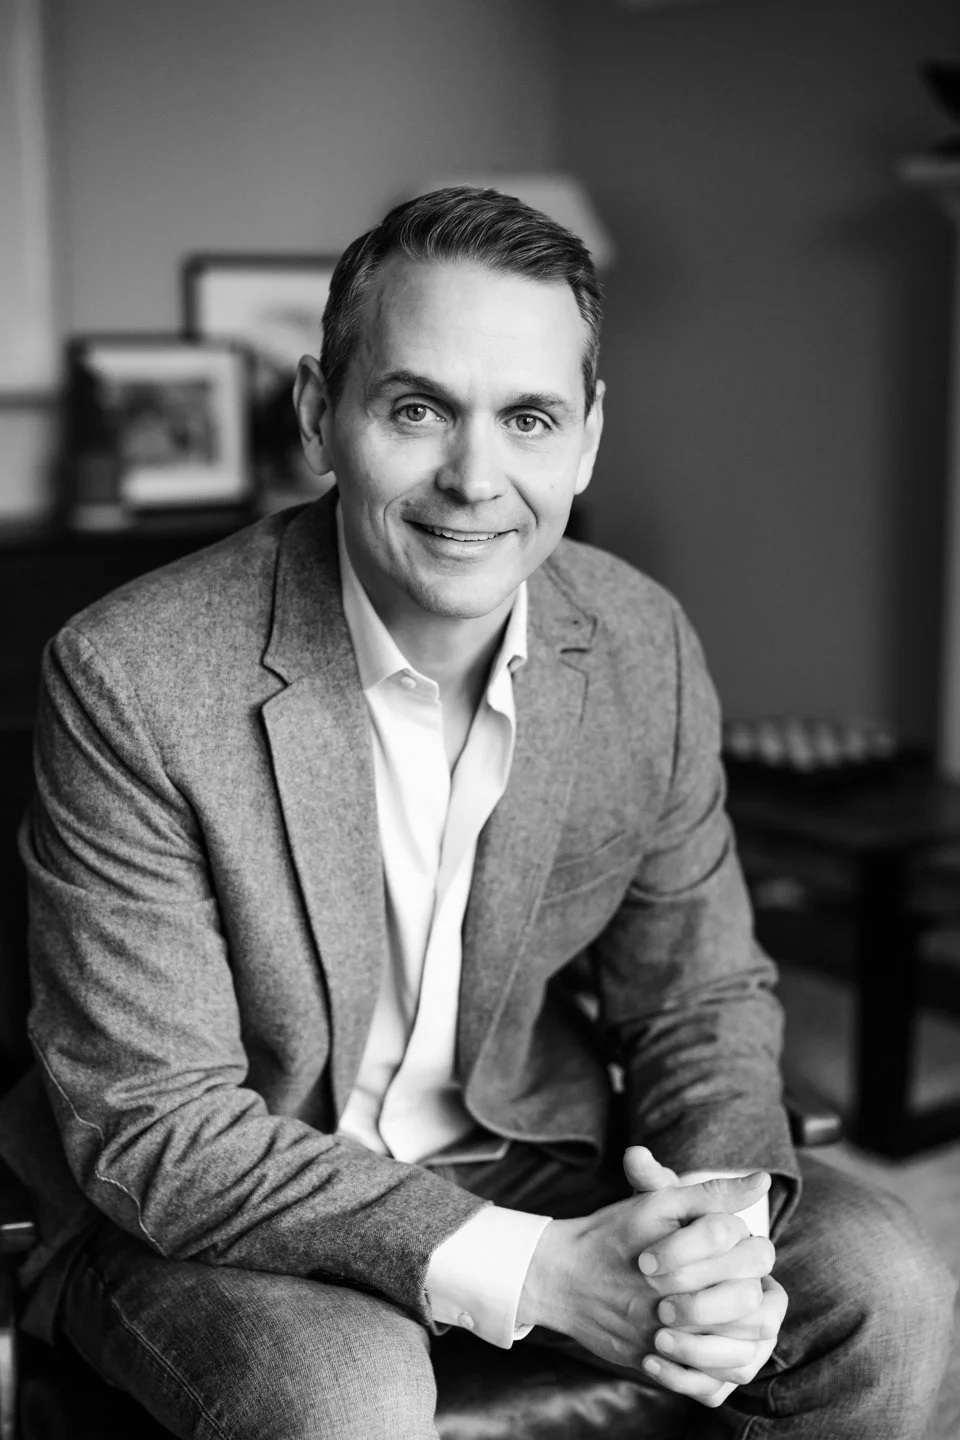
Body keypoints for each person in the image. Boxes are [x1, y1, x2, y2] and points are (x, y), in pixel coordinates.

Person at [1, 187, 954, 1440]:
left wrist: (714, 1226)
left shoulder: (639, 642)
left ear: (589, 439)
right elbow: (155, 1124)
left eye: (529, 418)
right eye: (416, 409)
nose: (474, 479)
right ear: (319, 415)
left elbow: (698, 992)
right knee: (346, 1396)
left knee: (892, 1286)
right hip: (224, 1206)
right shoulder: (134, 675)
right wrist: (541, 1270)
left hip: (531, 1141)